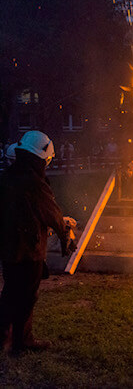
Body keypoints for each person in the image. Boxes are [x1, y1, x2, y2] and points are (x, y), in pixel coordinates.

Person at [0, 131, 76, 354]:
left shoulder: (7, 177)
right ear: (41, 157)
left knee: (10, 292)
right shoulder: (35, 183)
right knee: (26, 296)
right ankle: (21, 343)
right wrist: (65, 237)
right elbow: (51, 213)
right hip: (29, 249)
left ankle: (4, 337)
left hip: (8, 248)